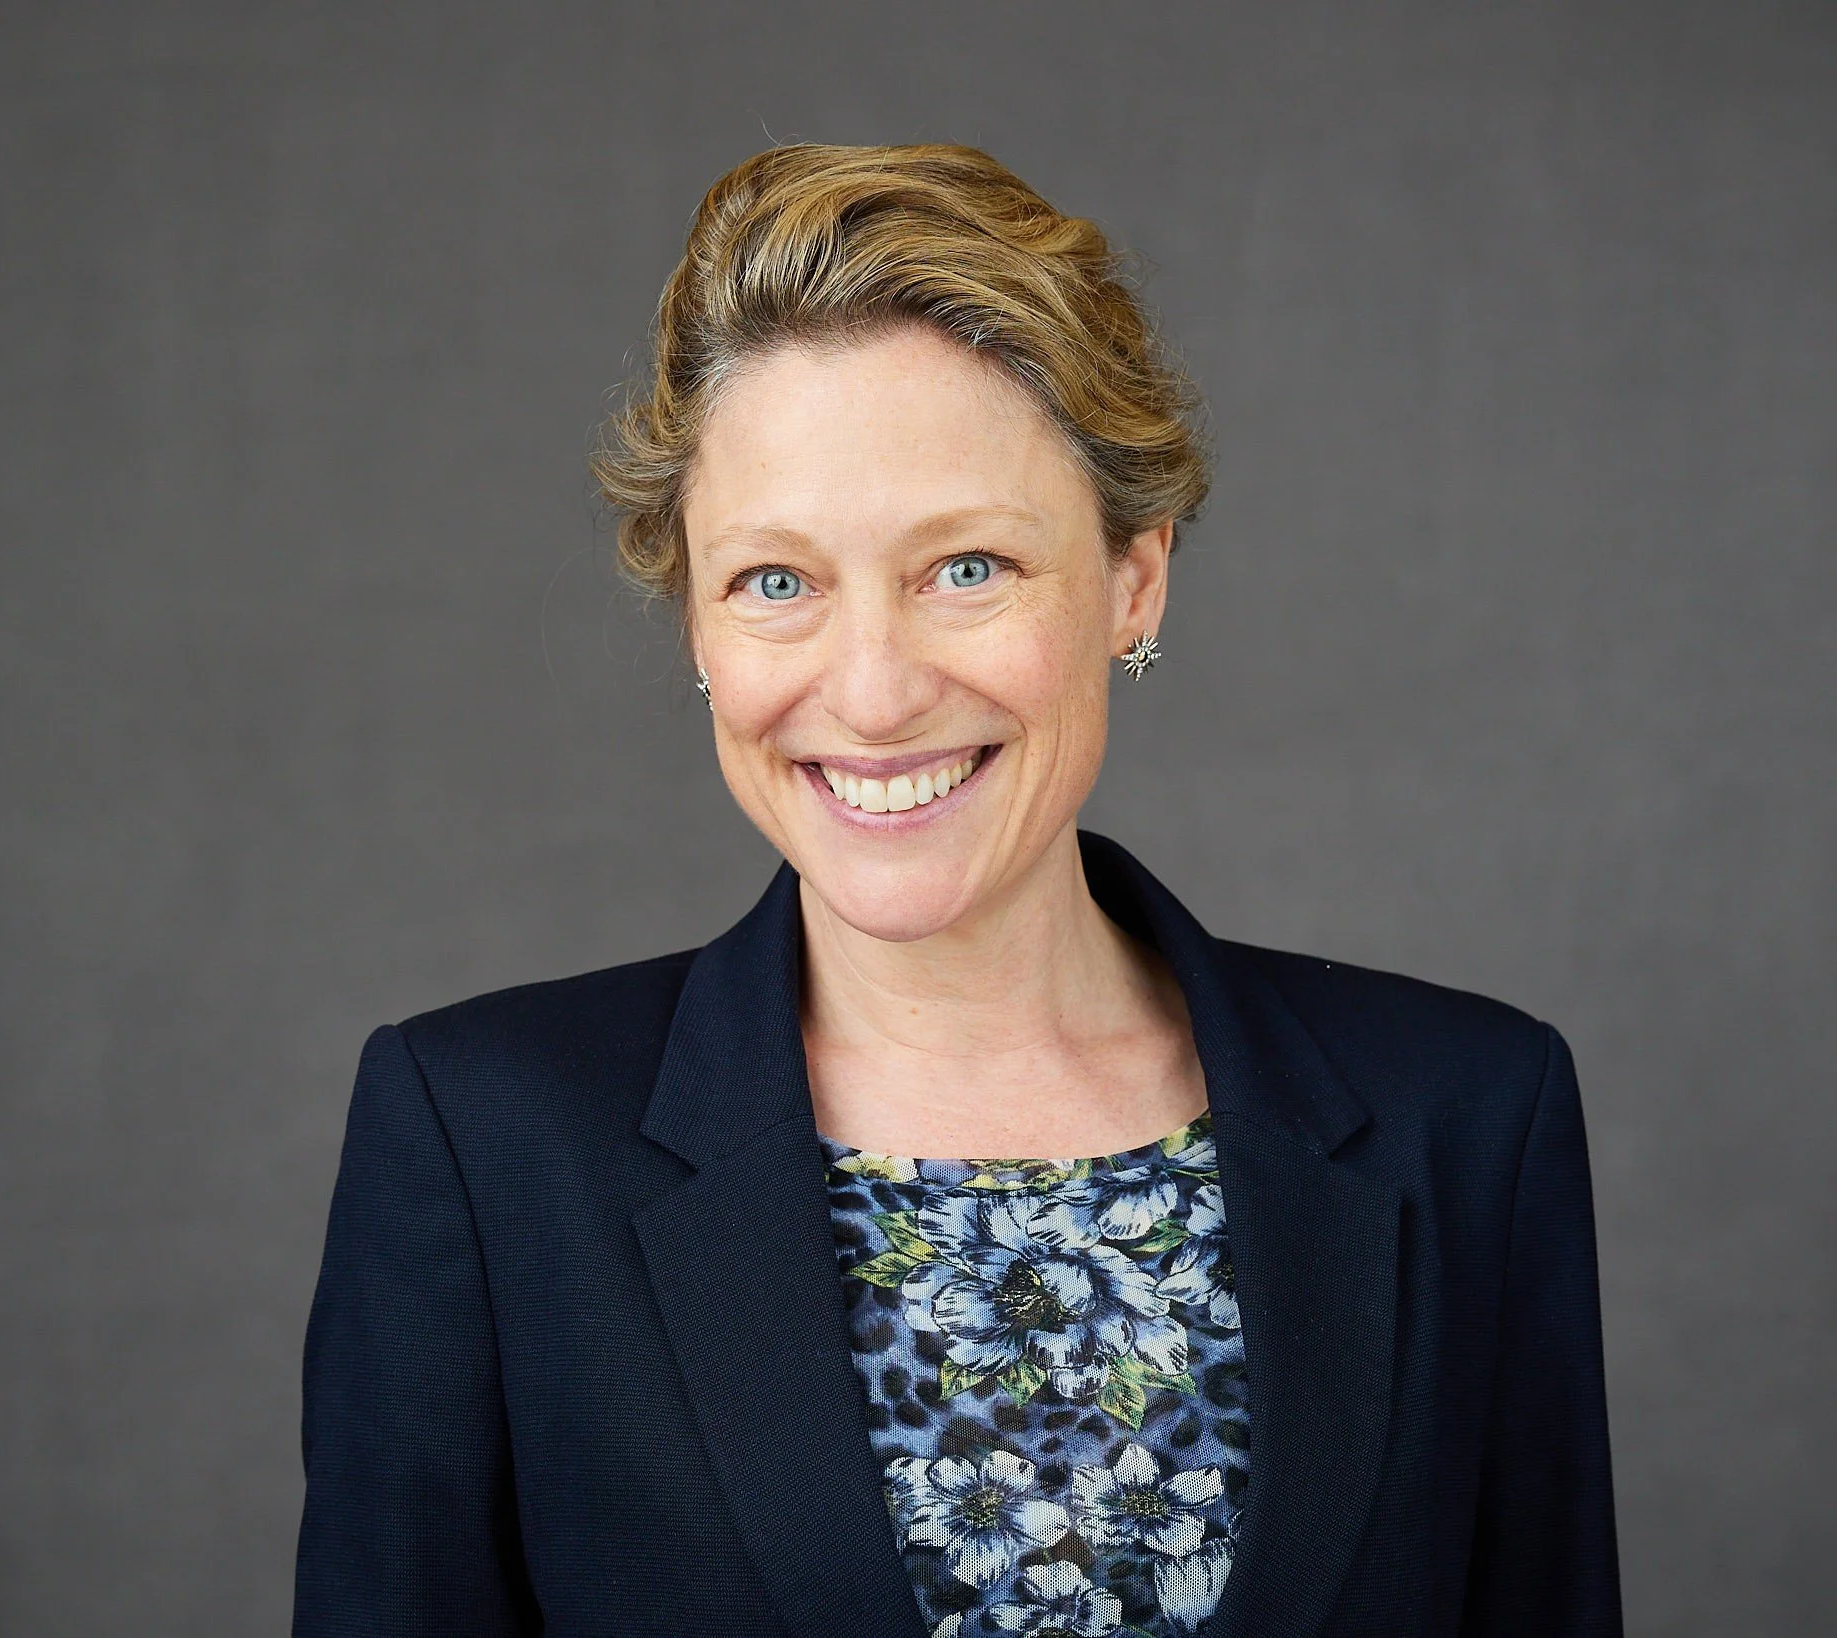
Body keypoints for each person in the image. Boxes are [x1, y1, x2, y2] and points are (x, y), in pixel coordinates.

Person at [293, 144, 1620, 1638]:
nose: (872, 692)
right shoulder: (484, 1142)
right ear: (697, 624)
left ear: (1133, 577)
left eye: (967, 568)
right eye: (776, 582)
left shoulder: (1471, 1118)